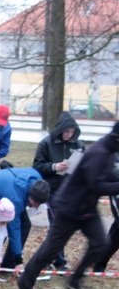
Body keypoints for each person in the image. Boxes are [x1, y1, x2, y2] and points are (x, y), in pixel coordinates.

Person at [18, 123, 119, 289]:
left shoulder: (109, 153)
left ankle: (75, 280)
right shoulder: (99, 152)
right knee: (50, 250)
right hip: (69, 207)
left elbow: (109, 177)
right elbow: (95, 185)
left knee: (100, 244)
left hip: (87, 208)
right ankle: (25, 282)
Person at [32, 111, 85, 270]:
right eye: (66, 131)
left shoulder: (78, 145)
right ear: (60, 129)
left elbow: (85, 166)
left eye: (72, 132)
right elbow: (37, 166)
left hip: (70, 190)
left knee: (62, 227)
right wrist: (54, 167)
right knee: (57, 226)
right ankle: (58, 261)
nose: (69, 135)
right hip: (52, 190)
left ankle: (50, 259)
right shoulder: (46, 144)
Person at [0, 167, 50, 271]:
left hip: (10, 192)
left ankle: (9, 265)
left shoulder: (37, 181)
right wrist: (19, 260)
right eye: (35, 203)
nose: (36, 207)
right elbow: (14, 229)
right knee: (2, 230)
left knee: (26, 225)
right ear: (30, 196)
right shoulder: (16, 199)